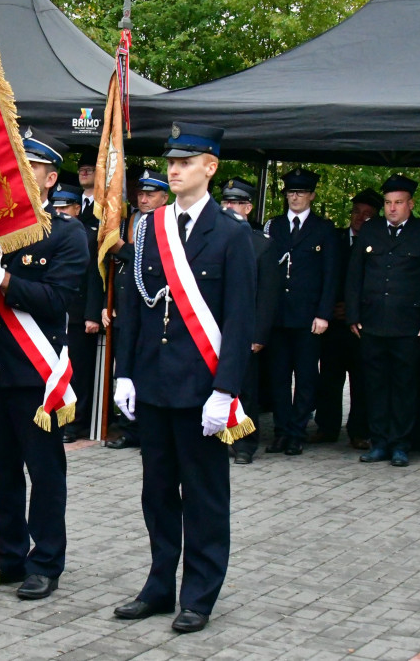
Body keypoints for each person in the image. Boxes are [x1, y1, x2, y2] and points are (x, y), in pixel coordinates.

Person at [113, 122, 255, 633]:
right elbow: (133, 307)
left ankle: (198, 594)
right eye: (171, 162)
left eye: (185, 162)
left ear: (210, 168)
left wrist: (226, 390)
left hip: (202, 390)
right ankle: (157, 586)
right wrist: (123, 373)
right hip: (153, 383)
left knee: (204, 495)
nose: (173, 170)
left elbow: (240, 321)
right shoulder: (149, 227)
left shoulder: (234, 234)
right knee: (157, 493)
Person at [0, 127, 88, 600]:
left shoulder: (66, 234)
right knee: (1, 472)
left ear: (51, 178)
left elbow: (57, 301)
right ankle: (7, 556)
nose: (16, 171)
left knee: (45, 474)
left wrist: (3, 279)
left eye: (29, 166)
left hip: (38, 376)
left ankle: (46, 562)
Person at [346, 175, 420, 467]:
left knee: (404, 386)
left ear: (410, 204)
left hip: (408, 325)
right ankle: (379, 442)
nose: (392, 208)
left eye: (398, 203)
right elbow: (355, 275)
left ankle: (401, 443)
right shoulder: (371, 230)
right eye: (388, 203)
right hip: (373, 322)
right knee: (374, 385)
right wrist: (353, 314)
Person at [264, 168, 338, 455]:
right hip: (279, 315)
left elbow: (330, 275)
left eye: (301, 193)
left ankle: (297, 431)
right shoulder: (275, 226)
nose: (295, 197)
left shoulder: (324, 229)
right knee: (279, 378)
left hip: (309, 317)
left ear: (312, 196)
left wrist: (324, 314)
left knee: (306, 377)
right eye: (291, 193)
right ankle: (282, 430)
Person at [104, 170, 170, 450]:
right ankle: (130, 428)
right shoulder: (125, 222)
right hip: (123, 305)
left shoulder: (168, 224)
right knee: (125, 365)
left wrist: (122, 250)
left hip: (153, 308)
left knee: (150, 369)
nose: (144, 199)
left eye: (150, 194)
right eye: (141, 194)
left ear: (165, 197)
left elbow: (159, 261)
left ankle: (149, 430)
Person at [312, 188, 381, 449]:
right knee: (329, 376)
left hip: (362, 323)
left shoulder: (380, 242)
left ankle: (359, 431)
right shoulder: (336, 238)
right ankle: (326, 427)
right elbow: (325, 275)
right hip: (333, 321)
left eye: (367, 214)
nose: (360, 218)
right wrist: (330, 308)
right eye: (357, 212)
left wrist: (354, 310)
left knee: (361, 380)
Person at [220, 177, 280, 464]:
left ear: (249, 207)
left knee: (244, 388)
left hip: (243, 330)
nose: (230, 207)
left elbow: (268, 295)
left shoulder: (262, 245)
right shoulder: (208, 238)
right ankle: (213, 437)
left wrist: (259, 334)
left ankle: (244, 444)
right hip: (210, 327)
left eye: (236, 202)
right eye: (226, 202)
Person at [57, 181, 103, 443]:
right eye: (57, 206)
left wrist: (92, 314)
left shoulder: (87, 235)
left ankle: (75, 422)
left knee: (78, 372)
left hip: (77, 314)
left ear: (77, 208)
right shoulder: (48, 229)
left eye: (66, 207)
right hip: (54, 311)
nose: (60, 211)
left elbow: (95, 277)